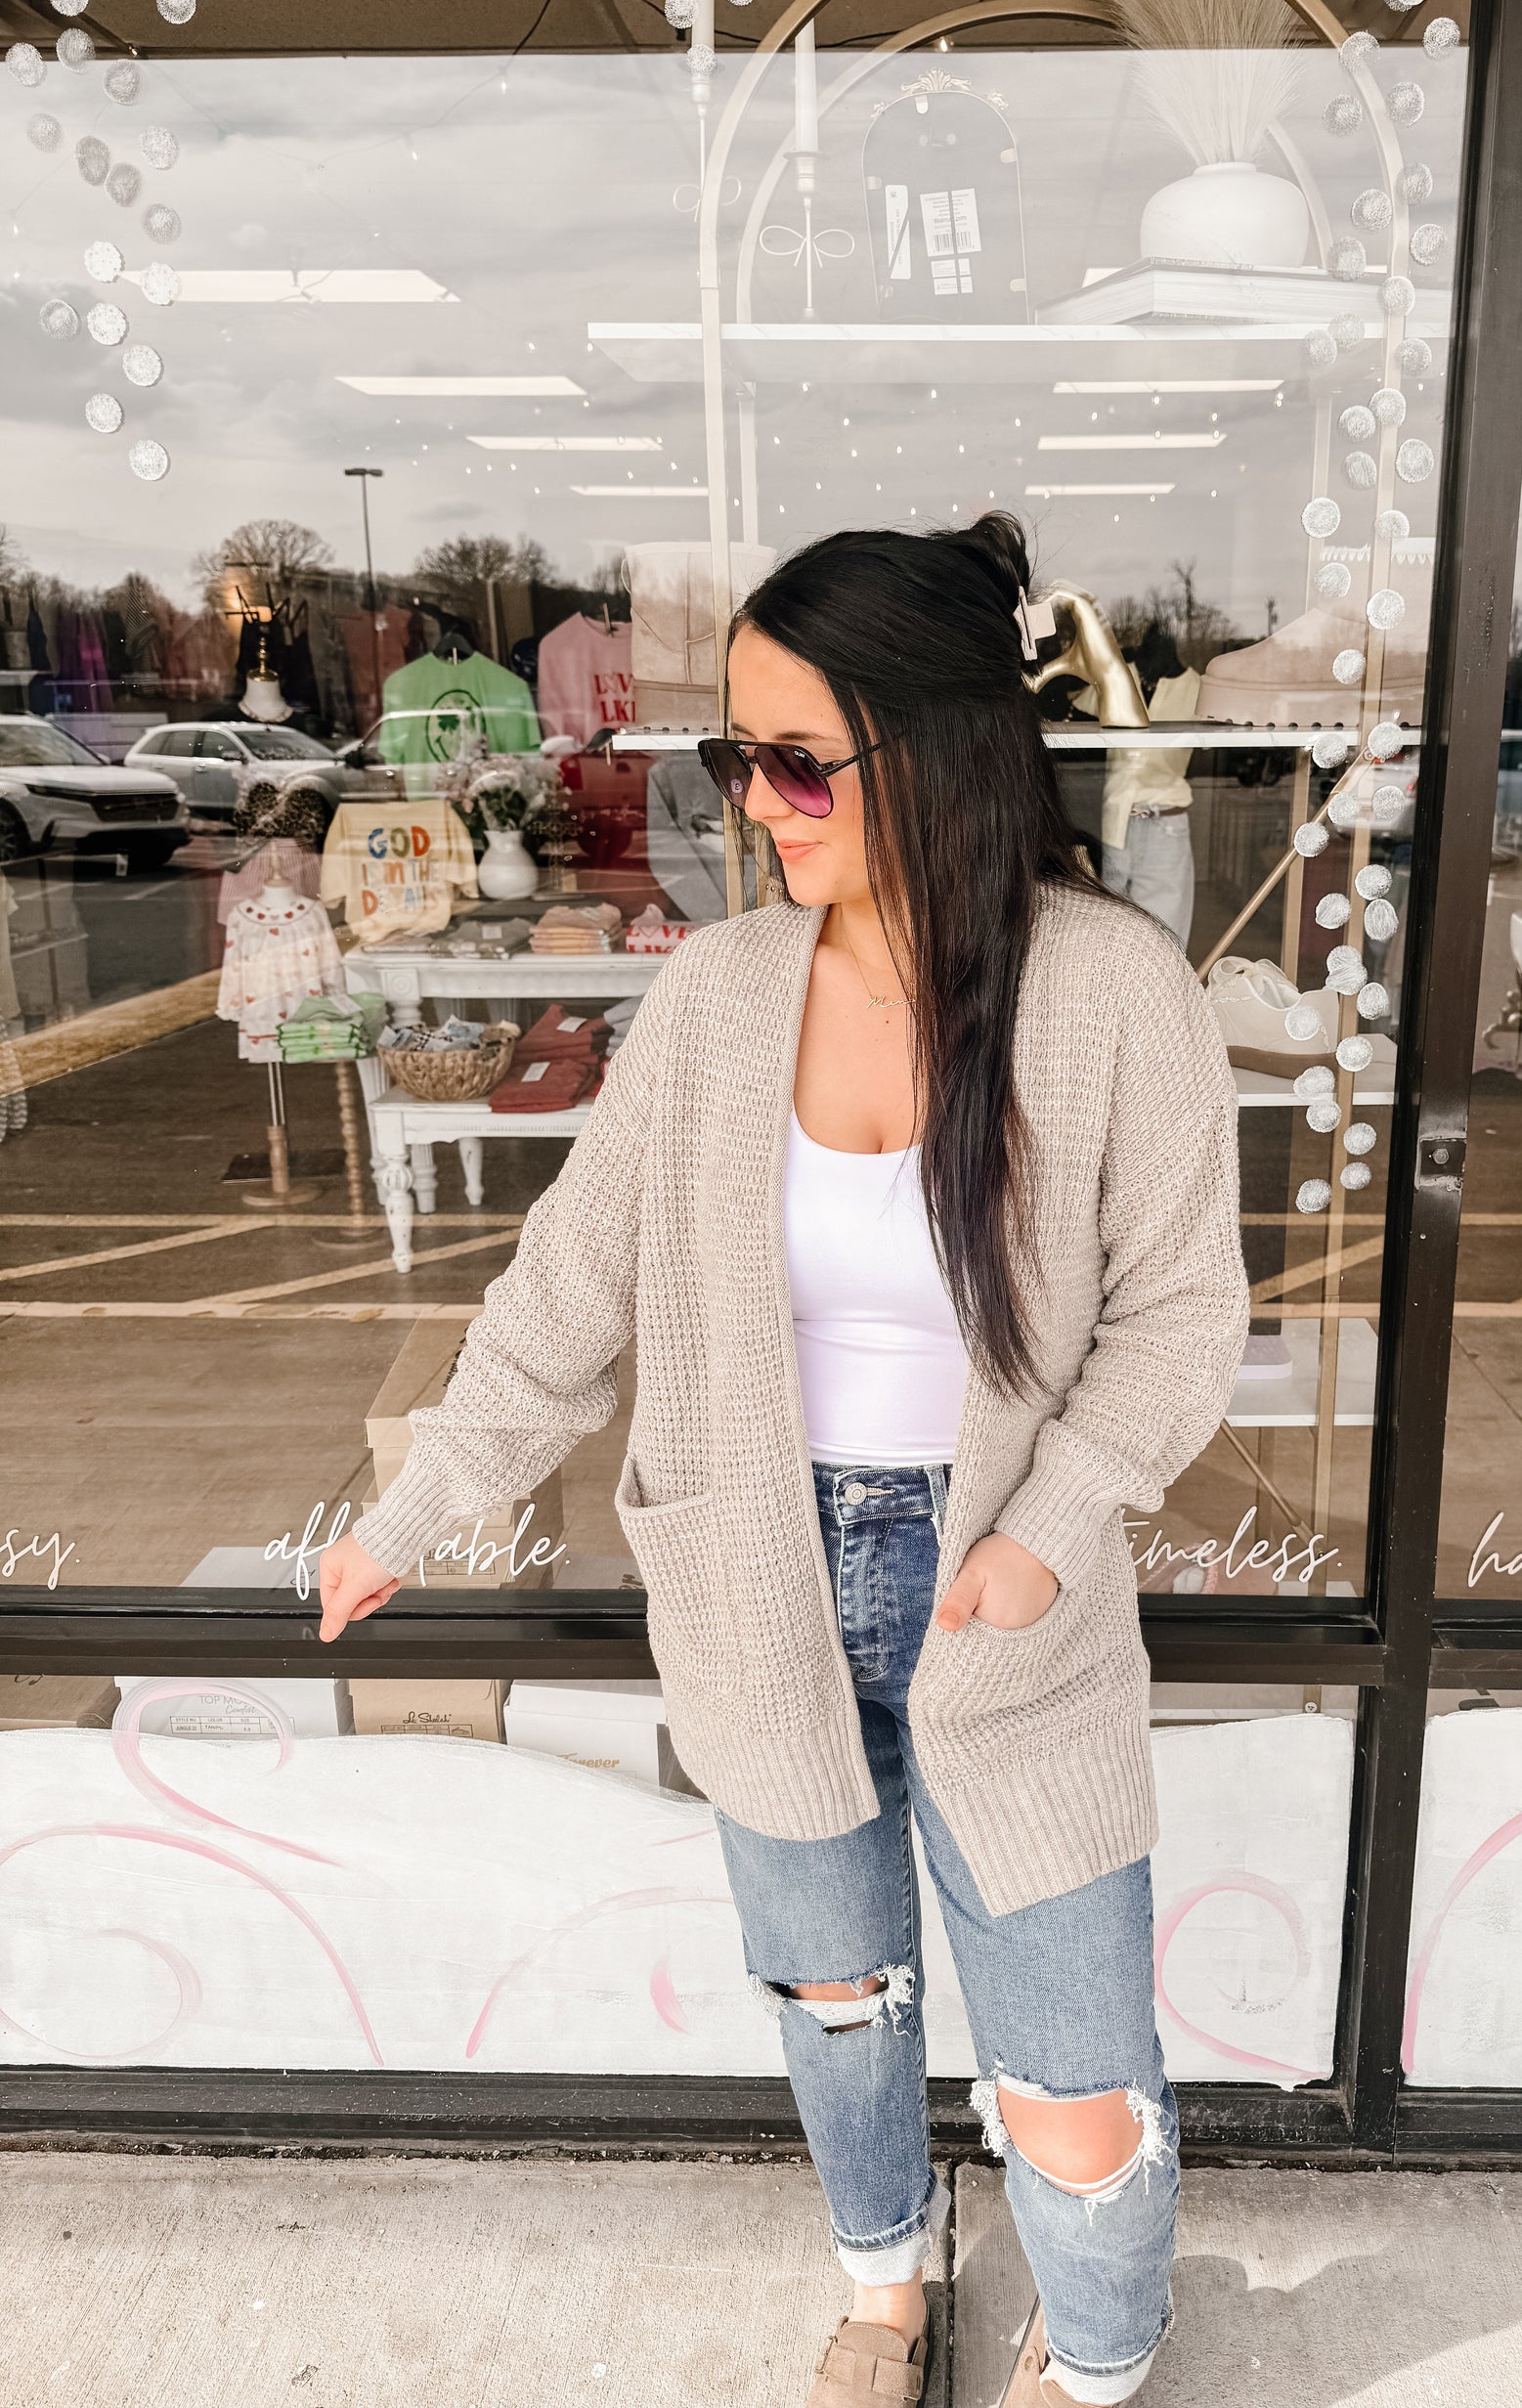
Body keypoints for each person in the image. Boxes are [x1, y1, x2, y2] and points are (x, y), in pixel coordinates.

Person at [317, 513, 1248, 2408]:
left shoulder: (1110, 988)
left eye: (797, 760)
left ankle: (1093, 2355)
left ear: (946, 745)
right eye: (732, 755)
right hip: (757, 1577)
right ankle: (884, 2283)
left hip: (1004, 1595)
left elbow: (1177, 1317)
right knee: (836, 1998)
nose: (753, 803)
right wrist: (419, 1505)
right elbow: (568, 1288)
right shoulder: (722, 995)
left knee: (1071, 2071)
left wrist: (1049, 1532)